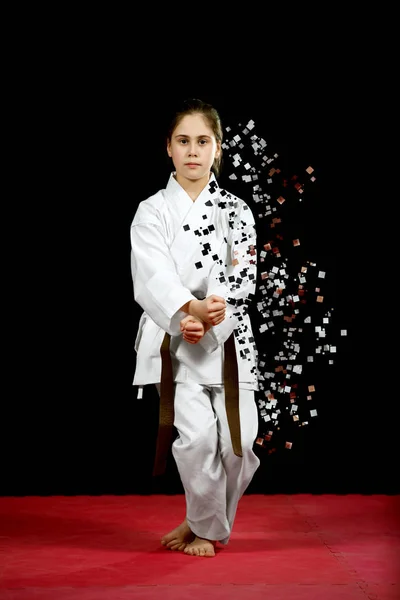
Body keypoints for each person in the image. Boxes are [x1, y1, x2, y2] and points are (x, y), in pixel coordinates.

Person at [130, 98, 260, 558]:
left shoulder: (238, 210)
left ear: (217, 148)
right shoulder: (152, 210)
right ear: (168, 147)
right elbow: (152, 273)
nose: (192, 151)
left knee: (240, 447)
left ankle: (200, 516)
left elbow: (242, 273)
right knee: (198, 440)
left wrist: (211, 310)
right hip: (177, 340)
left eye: (202, 141)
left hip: (226, 340)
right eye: (182, 141)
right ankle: (207, 529)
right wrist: (186, 310)